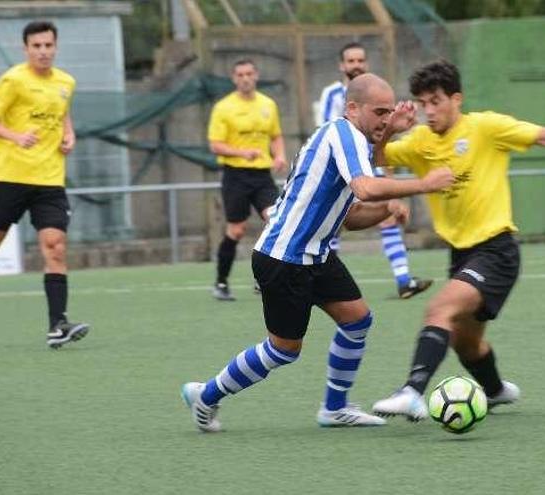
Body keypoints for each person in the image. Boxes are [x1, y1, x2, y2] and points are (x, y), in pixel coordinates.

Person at [372, 60, 545, 420]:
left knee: (439, 310)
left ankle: (412, 392)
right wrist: (389, 131)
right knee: (465, 342)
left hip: (496, 251)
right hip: (461, 254)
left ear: (456, 99)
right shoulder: (420, 142)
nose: (429, 110)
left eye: (436, 100)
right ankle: (496, 391)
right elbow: (377, 158)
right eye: (423, 102)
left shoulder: (486, 128)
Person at [180, 73, 454, 431]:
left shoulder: (351, 140)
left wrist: (386, 205)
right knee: (284, 350)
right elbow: (366, 187)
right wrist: (423, 185)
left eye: (390, 111)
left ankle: (334, 408)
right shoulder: (342, 134)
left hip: (316, 256)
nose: (386, 118)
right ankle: (207, 395)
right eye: (380, 111)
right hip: (284, 259)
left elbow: (351, 216)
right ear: (353, 108)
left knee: (357, 321)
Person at [0, 21, 90, 349]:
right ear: (25, 48)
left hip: (50, 180)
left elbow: (62, 115)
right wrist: (16, 136)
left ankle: (58, 325)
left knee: (55, 246)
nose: (43, 51)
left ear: (56, 46)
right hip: (10, 177)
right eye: (36, 46)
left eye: (48, 45)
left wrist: (70, 135)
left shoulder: (66, 81)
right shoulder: (14, 79)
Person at [315, 42, 432, 299]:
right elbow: (330, 132)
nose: (356, 65)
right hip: (342, 168)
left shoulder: (377, 96)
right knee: (336, 223)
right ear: (341, 65)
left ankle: (403, 280)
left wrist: (387, 174)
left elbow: (380, 140)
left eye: (360, 60)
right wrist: (426, 184)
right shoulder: (332, 96)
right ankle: (321, 278)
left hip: (368, 165)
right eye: (351, 61)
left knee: (387, 215)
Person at [208, 59, 287, 301]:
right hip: (236, 175)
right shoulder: (224, 107)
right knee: (237, 230)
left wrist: (280, 155)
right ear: (234, 78)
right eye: (240, 74)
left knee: (275, 220)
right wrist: (242, 153)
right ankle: (221, 282)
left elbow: (275, 135)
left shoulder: (268, 104)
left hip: (262, 176)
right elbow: (215, 145)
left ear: (256, 75)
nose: (245, 78)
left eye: (249, 73)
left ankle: (263, 277)